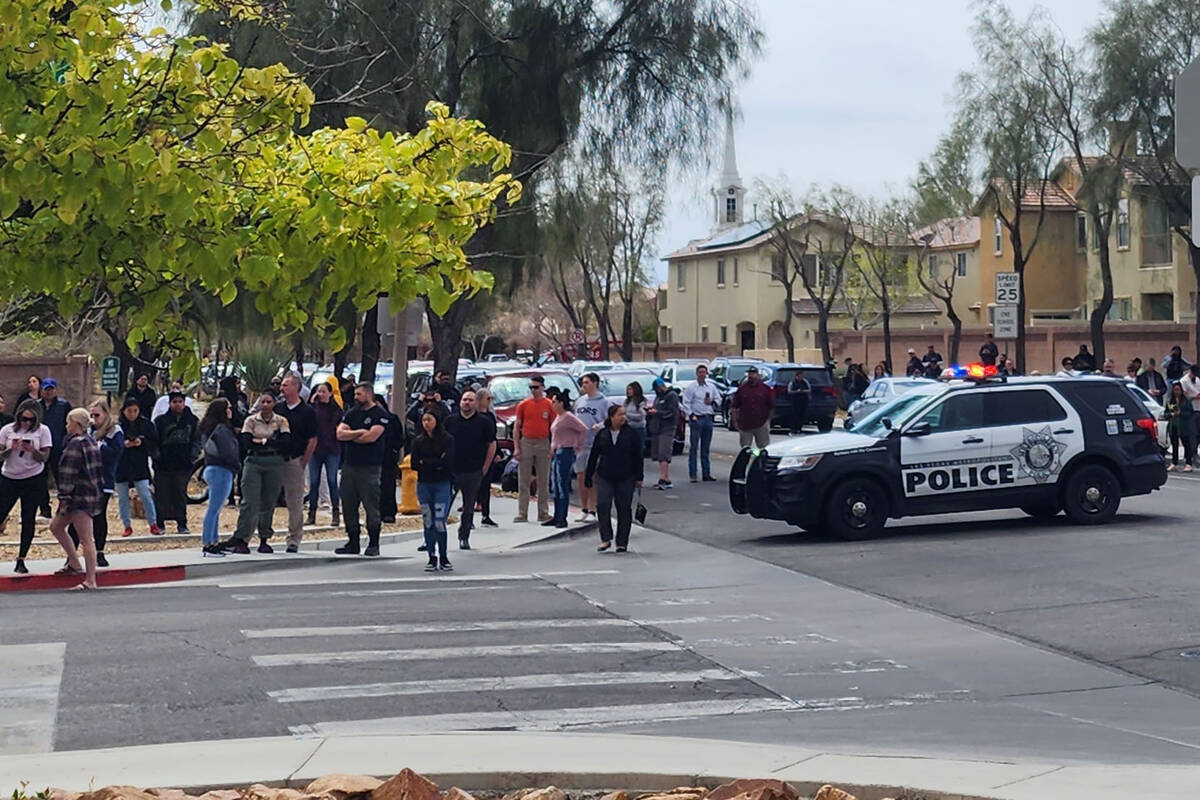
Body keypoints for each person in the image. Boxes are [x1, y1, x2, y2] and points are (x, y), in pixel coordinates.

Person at [220, 388, 291, 554]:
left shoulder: (281, 421)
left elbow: (285, 442)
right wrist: (269, 440)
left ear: (274, 403)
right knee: (249, 501)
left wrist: (262, 440)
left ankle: (264, 538)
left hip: (274, 462)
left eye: (269, 401)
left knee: (268, 501)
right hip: (254, 461)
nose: (265, 405)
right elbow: (246, 442)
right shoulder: (250, 421)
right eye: (262, 401)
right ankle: (242, 538)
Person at [48, 408, 103, 591]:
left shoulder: (75, 444)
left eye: (68, 422)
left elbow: (67, 474)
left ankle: (90, 579)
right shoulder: (91, 441)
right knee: (56, 527)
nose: (66, 425)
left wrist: (64, 497)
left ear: (76, 423)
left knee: (86, 539)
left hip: (78, 497)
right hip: (88, 494)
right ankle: (74, 562)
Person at [334, 382, 390, 556]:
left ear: (369, 394)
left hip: (370, 467)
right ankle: (353, 541)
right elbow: (340, 434)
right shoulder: (351, 413)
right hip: (349, 466)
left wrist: (353, 435)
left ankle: (374, 543)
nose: (355, 397)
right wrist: (359, 432)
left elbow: (371, 437)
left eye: (359, 394)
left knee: (371, 506)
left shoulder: (380, 414)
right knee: (349, 506)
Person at [69, 401, 123, 568]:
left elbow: (116, 453)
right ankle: (72, 555)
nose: (93, 419)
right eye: (91, 416)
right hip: (84, 481)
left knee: (99, 516)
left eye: (97, 415)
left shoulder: (114, 431)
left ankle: (100, 551)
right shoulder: (88, 432)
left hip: (103, 481)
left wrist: (100, 447)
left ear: (106, 414)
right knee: (76, 518)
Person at [0, 400, 52, 574]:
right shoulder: (7, 430)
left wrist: (33, 450)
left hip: (33, 477)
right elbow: (0, 456)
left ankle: (21, 558)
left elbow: (45, 457)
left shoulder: (43, 431)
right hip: (9, 477)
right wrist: (10, 449)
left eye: (30, 420)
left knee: (28, 518)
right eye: (23, 419)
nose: (26, 423)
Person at [585, 405, 643, 553]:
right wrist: (588, 475)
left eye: (624, 414)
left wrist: (639, 476)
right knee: (603, 505)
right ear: (611, 416)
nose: (623, 417)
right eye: (619, 415)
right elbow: (594, 454)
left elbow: (638, 455)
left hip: (626, 476)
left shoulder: (631, 434)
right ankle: (606, 538)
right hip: (605, 475)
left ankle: (622, 542)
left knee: (623, 508)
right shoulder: (603, 434)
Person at [444, 389, 495, 548]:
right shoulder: (450, 421)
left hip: (473, 470)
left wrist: (485, 466)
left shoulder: (484, 422)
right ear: (460, 402)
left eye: (471, 400)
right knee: (443, 505)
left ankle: (464, 536)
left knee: (468, 507)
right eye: (465, 399)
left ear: (476, 403)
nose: (467, 402)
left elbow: (492, 445)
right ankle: (433, 537)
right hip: (451, 471)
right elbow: (441, 442)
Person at [274, 375, 317, 553]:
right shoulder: (278, 409)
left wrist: (303, 461)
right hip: (275, 459)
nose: (282, 388)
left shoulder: (307, 412)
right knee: (267, 499)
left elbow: (313, 438)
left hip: (294, 459)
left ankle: (294, 539)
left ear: (296, 388)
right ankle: (263, 535)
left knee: (294, 502)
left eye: (286, 385)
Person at [411, 407, 456, 571]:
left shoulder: (447, 439)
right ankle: (431, 556)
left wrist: (427, 463)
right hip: (424, 485)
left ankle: (443, 557)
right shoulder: (418, 442)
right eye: (424, 420)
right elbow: (415, 464)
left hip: (442, 484)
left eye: (429, 420)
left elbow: (448, 463)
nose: (426, 423)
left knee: (439, 521)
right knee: (427, 521)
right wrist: (436, 462)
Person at [198, 398, 240, 556]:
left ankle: (213, 540)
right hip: (221, 470)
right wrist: (236, 465)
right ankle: (208, 542)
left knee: (215, 508)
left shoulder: (208, 428)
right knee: (213, 509)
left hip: (211, 468)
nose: (231, 410)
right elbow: (228, 451)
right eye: (228, 407)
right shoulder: (222, 430)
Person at [153, 391, 199, 534]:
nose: (177, 404)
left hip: (183, 465)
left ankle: (182, 523)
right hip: (163, 465)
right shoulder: (160, 421)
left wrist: (193, 454)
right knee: (162, 495)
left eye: (180, 402)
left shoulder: (192, 421)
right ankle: (160, 523)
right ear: (169, 404)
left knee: (180, 495)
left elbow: (198, 439)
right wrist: (156, 456)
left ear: (184, 403)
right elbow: (153, 441)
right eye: (174, 402)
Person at [114, 398, 160, 537]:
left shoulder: (146, 424)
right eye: (129, 411)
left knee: (145, 495)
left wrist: (142, 442)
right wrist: (123, 444)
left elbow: (154, 442)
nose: (132, 414)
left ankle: (153, 523)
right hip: (122, 465)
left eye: (135, 411)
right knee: (122, 498)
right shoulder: (117, 425)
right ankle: (127, 525)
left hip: (140, 464)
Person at [513, 375, 553, 523]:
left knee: (543, 479)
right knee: (523, 479)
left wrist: (552, 446)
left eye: (536, 387)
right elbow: (517, 426)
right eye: (531, 388)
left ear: (542, 387)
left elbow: (553, 427)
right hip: (527, 442)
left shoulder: (549, 404)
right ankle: (522, 512)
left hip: (543, 442)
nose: (533, 390)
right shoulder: (523, 405)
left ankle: (543, 512)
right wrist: (517, 447)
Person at [573, 373, 613, 520]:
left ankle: (592, 509)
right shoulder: (579, 401)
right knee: (580, 475)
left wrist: (601, 425)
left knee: (592, 477)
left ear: (595, 383)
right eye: (583, 383)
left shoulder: (604, 402)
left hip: (595, 444)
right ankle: (583, 508)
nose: (584, 385)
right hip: (580, 444)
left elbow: (610, 420)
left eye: (587, 382)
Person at [545, 389, 586, 529]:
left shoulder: (568, 416)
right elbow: (556, 437)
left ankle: (562, 517)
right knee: (555, 485)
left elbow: (583, 429)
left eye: (555, 402)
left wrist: (577, 446)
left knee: (562, 484)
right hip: (557, 452)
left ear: (561, 403)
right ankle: (557, 516)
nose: (552, 404)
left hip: (566, 451)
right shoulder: (558, 417)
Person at [307, 381, 343, 527]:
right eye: (318, 391)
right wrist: (312, 403)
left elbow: (337, 423)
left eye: (323, 391)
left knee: (332, 481)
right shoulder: (313, 408)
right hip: (315, 449)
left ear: (330, 393)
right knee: (314, 482)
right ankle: (312, 513)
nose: (320, 394)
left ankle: (336, 512)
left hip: (332, 449)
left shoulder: (336, 409)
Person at [38, 378, 70, 519]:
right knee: (40, 480)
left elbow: (69, 425)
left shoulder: (64, 405)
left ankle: (63, 507)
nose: (49, 392)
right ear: (42, 390)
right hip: (41, 449)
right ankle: (44, 509)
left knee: (61, 480)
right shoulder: (36, 406)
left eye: (51, 389)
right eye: (46, 389)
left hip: (59, 448)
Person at [681, 365, 720, 483]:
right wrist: (691, 415)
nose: (702, 374)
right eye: (700, 372)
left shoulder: (711, 387)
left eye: (704, 372)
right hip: (697, 418)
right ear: (697, 374)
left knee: (706, 448)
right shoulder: (691, 387)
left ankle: (706, 473)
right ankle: (693, 474)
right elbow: (686, 403)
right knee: (694, 447)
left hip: (708, 418)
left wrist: (712, 401)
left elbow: (719, 400)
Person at [646, 377, 680, 490]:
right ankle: (664, 477)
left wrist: (658, 412)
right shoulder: (659, 397)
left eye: (656, 388)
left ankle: (664, 478)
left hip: (667, 427)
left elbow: (672, 412)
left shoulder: (671, 396)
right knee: (658, 453)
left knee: (664, 452)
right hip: (657, 428)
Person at [732, 365, 774, 450]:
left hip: (761, 423)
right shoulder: (742, 389)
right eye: (749, 374)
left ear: (758, 375)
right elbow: (735, 406)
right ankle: (747, 462)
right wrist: (735, 421)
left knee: (764, 448)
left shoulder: (765, 389)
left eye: (753, 374)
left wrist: (768, 421)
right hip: (745, 424)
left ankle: (761, 463)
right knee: (745, 449)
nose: (751, 376)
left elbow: (771, 406)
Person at [475, 388, 500, 529]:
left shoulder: (490, 416)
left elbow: (493, 437)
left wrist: (497, 452)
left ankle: (486, 514)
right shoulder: (473, 415)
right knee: (471, 486)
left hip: (488, 453)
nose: (490, 401)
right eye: (488, 399)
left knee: (486, 485)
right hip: (474, 454)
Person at [378, 396, 406, 524]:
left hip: (388, 457)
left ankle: (389, 512)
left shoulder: (392, 419)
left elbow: (399, 438)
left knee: (388, 485)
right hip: (373, 458)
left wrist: (394, 450)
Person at [1166, 382, 1195, 472]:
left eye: (1178, 390)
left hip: (1183, 426)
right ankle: (1174, 462)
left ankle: (1188, 463)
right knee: (1174, 445)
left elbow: (1190, 413)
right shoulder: (1170, 401)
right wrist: (1170, 414)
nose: (1176, 392)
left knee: (1186, 444)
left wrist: (1181, 413)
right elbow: (1165, 413)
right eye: (1175, 390)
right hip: (1173, 425)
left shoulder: (1185, 401)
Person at [623, 381, 649, 453]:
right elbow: (623, 412)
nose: (628, 391)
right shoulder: (626, 401)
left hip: (639, 429)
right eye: (628, 389)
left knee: (639, 450)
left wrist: (627, 414)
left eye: (630, 389)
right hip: (628, 428)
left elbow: (640, 416)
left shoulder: (642, 401)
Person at [786, 369, 811, 435]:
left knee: (802, 416)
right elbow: (789, 391)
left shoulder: (805, 382)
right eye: (799, 376)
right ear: (796, 376)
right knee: (794, 416)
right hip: (795, 401)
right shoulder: (792, 382)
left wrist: (803, 391)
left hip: (803, 401)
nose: (801, 377)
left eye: (802, 376)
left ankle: (799, 429)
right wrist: (796, 391)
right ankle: (793, 430)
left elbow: (809, 389)